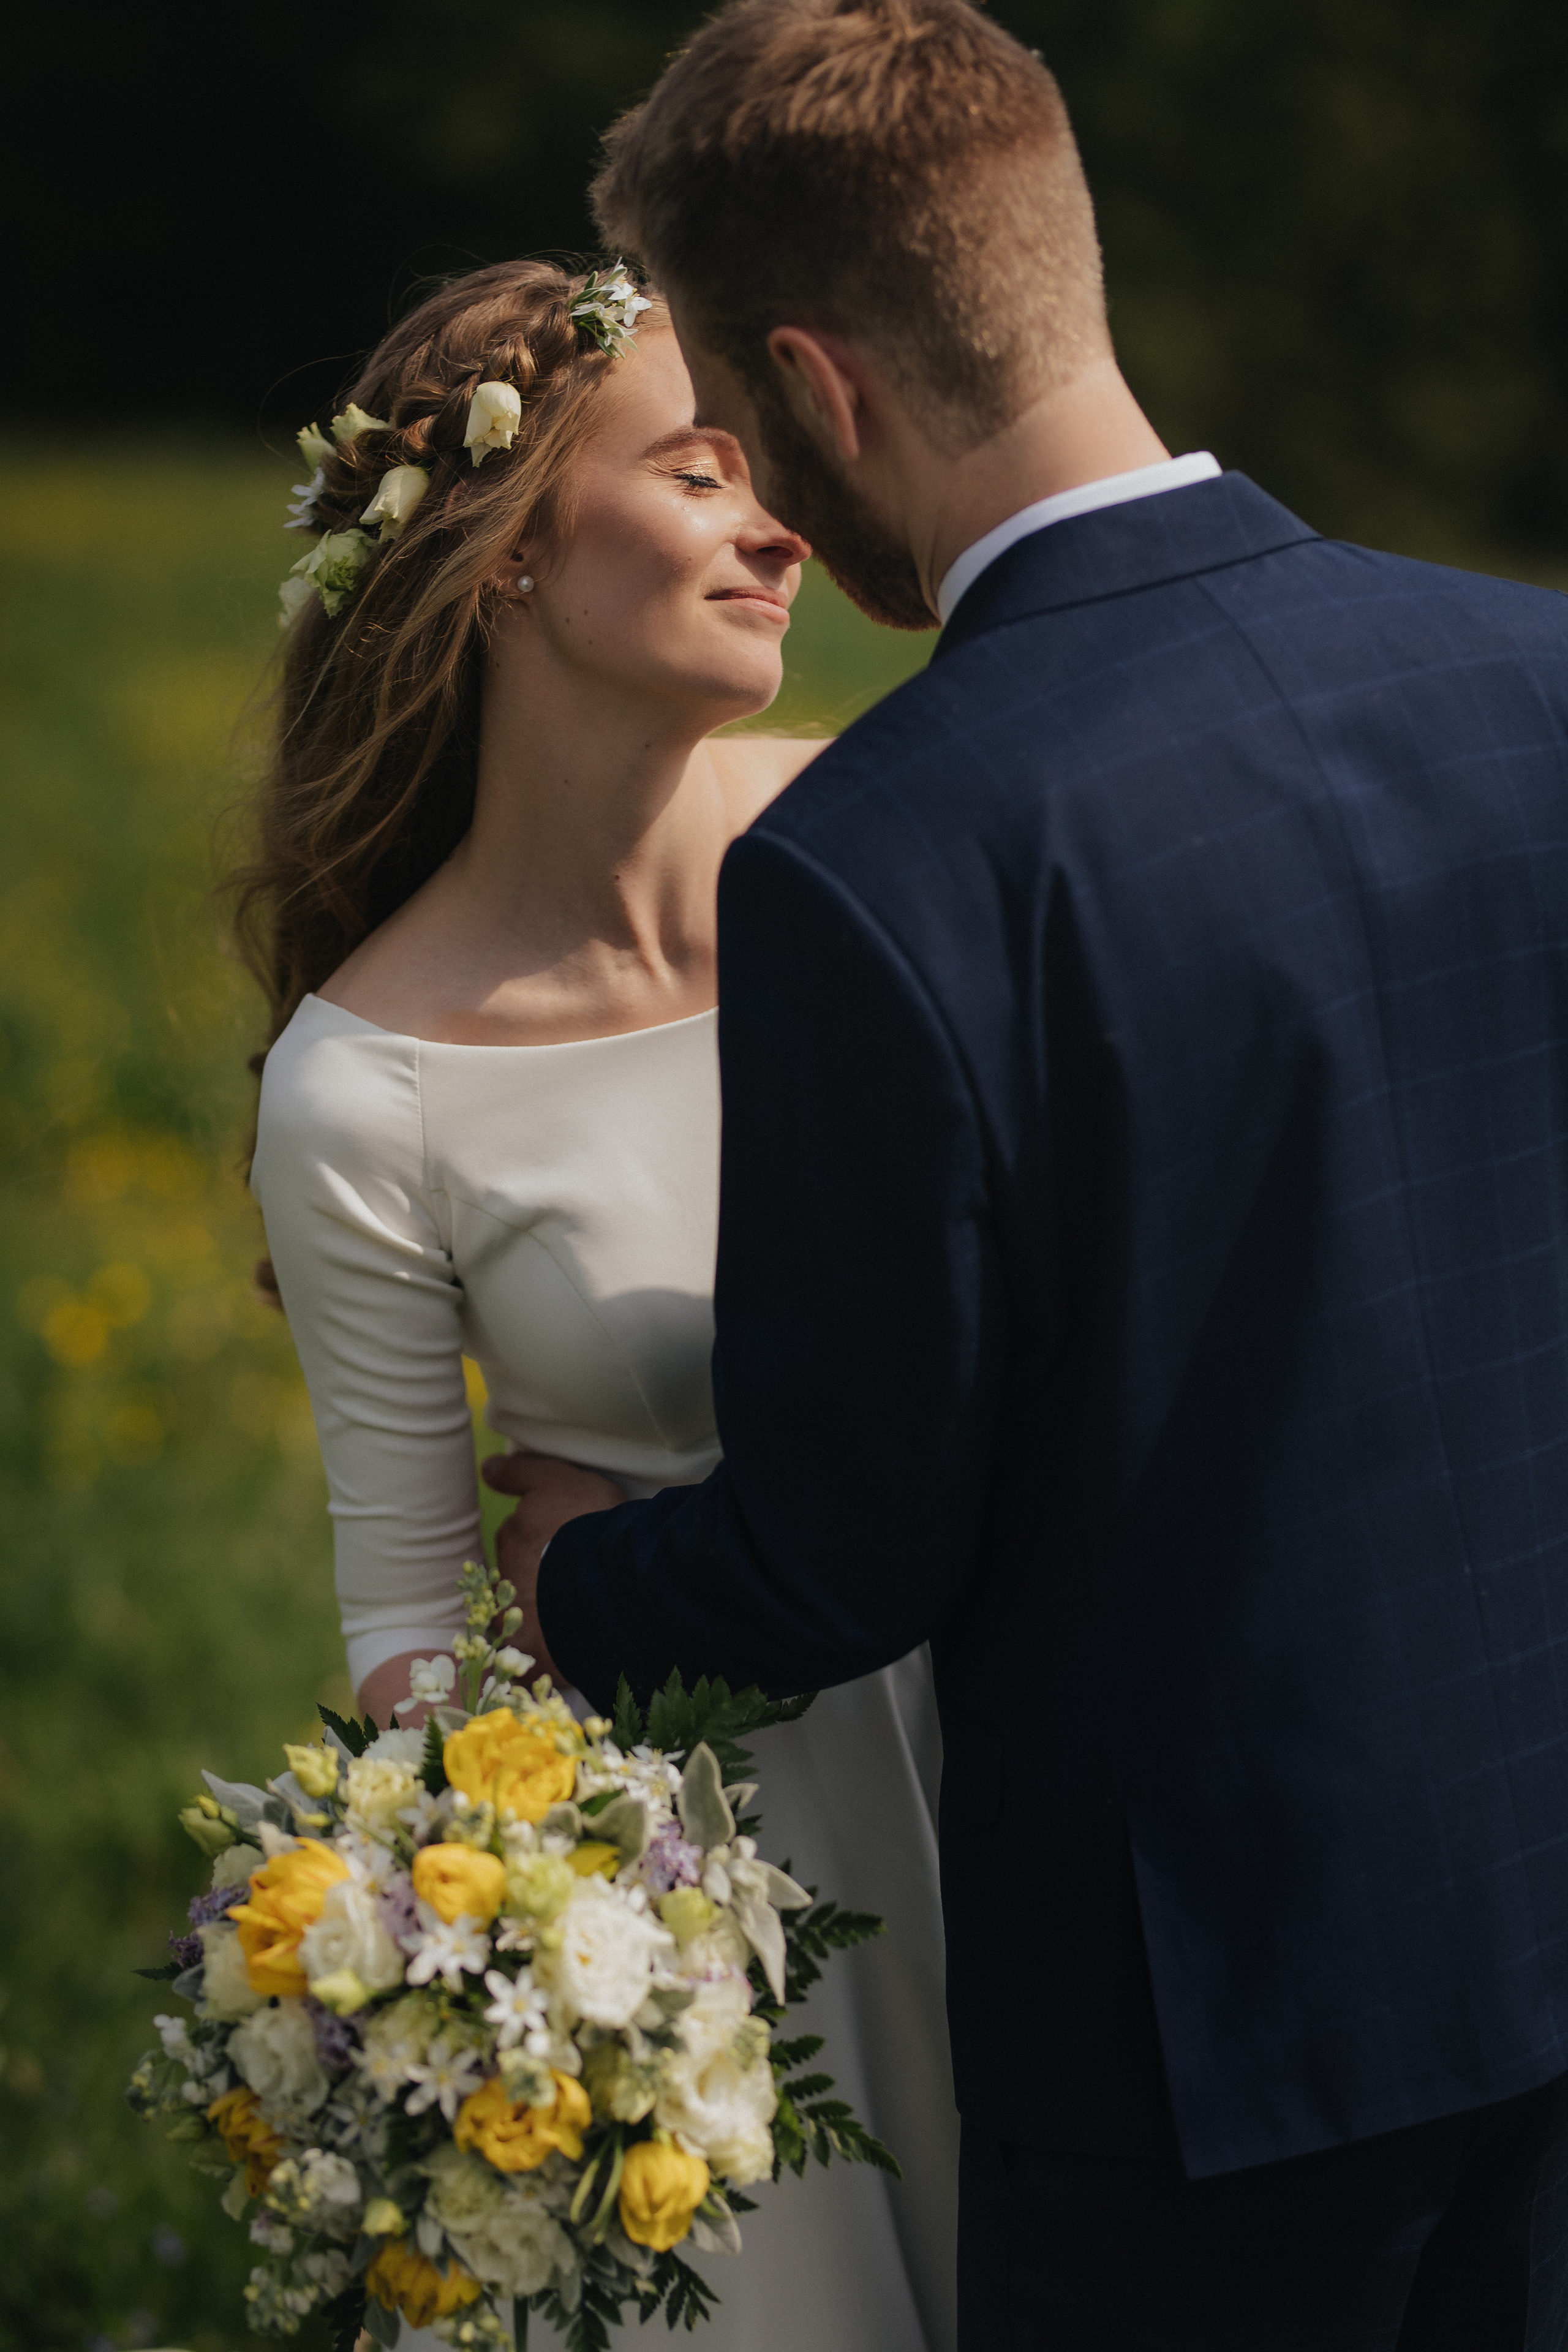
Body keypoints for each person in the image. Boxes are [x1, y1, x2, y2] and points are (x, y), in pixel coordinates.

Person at [485, 4, 1568, 2347]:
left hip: (1211, 2053)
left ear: (821, 383)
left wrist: (586, 1581)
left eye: (749, 431)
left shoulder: (889, 857)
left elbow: (846, 1537)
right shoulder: (1539, 678)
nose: (767, 492)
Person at [241, 257, 959, 2352]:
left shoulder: (893, 839)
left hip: (1030, 1755)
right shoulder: (365, 1085)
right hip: (708, 1893)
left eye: (778, 465)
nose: (782, 523)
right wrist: (563, 1968)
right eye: (702, 465)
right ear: (511, 549)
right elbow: (403, 1630)